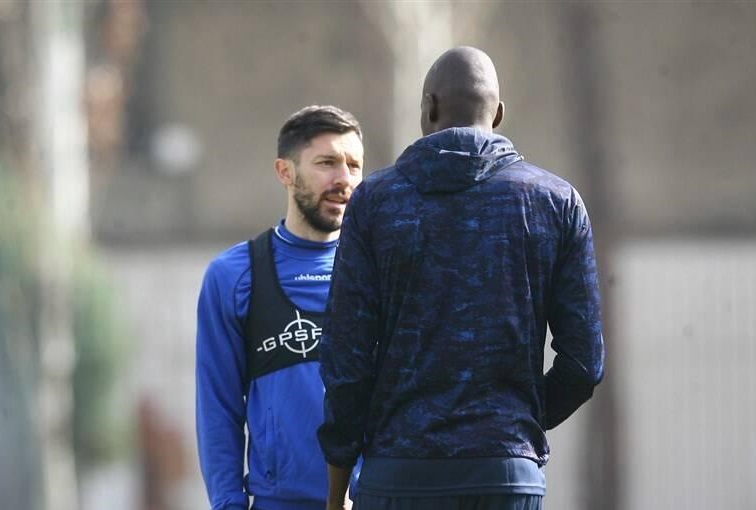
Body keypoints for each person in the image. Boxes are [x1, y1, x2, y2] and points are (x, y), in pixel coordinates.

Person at [317, 46, 605, 510]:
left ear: (429, 107)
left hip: (398, 475)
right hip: (506, 476)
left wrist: (336, 489)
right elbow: (584, 364)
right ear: (498, 115)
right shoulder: (557, 202)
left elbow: (347, 358)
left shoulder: (375, 202)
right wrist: (515, 424)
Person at [196, 105, 364, 510]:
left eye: (354, 166)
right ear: (285, 172)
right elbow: (218, 409)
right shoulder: (234, 276)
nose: (344, 178)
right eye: (327, 163)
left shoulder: (379, 270)